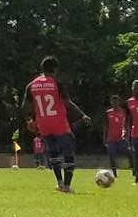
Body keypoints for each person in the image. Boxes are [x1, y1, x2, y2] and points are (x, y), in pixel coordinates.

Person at [25, 55, 90, 193]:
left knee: (53, 152)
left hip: (43, 124)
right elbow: (67, 102)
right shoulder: (56, 83)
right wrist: (82, 115)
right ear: (55, 69)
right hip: (59, 123)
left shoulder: (32, 85)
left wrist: (29, 120)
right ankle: (67, 185)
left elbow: (25, 105)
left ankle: (59, 183)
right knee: (68, 151)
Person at [103, 91, 131, 176]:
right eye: (112, 101)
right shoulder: (108, 113)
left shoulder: (123, 112)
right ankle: (114, 173)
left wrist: (127, 134)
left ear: (119, 102)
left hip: (121, 138)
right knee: (112, 155)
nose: (114, 103)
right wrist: (104, 138)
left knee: (130, 153)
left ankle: (134, 170)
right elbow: (105, 126)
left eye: (116, 101)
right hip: (111, 138)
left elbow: (127, 124)